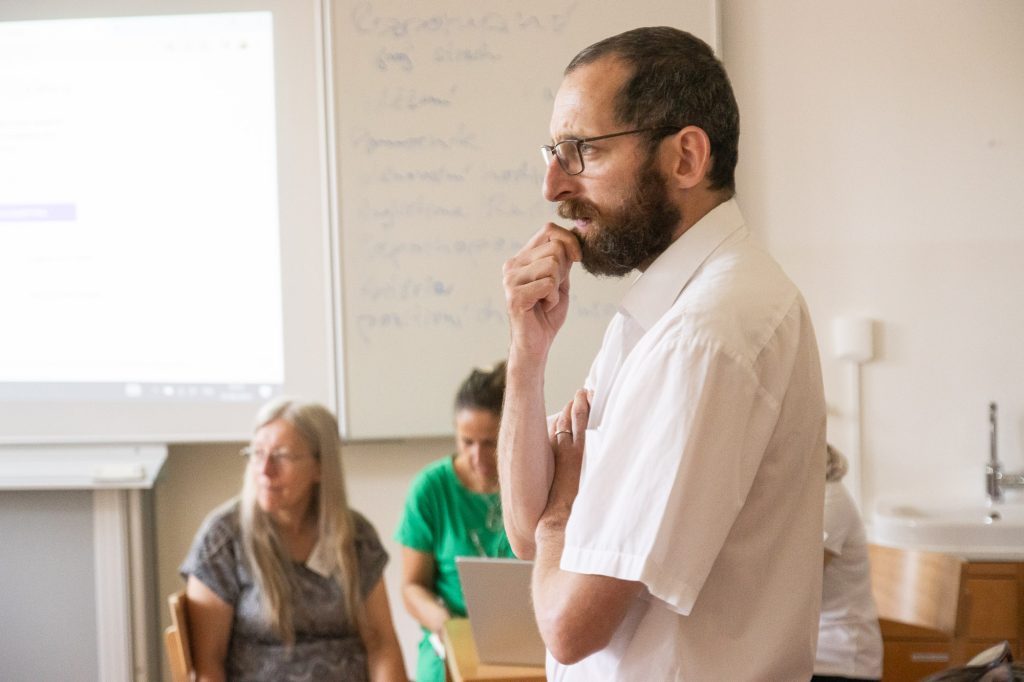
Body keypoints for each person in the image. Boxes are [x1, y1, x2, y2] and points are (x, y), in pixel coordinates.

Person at [499, 26, 827, 680]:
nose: (553, 186)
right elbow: (525, 532)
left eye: (579, 150)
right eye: (553, 151)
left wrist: (564, 512)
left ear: (685, 158)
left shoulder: (705, 334)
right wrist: (527, 352)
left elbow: (569, 625)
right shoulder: (660, 316)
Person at [180, 398, 406, 682]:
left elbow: (381, 644)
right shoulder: (224, 538)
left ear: (320, 467)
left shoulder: (355, 535)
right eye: (257, 454)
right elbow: (207, 664)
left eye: (282, 456)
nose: (265, 470)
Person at [394, 361, 515, 682]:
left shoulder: (531, 481)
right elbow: (412, 586)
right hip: (449, 642)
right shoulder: (431, 488)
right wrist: (444, 624)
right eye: (467, 442)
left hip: (520, 642)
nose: (477, 456)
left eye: (490, 443)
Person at [814, 445, 883, 682]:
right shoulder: (808, 497)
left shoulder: (829, 501)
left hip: (837, 657)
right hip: (816, 649)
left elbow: (795, 583)